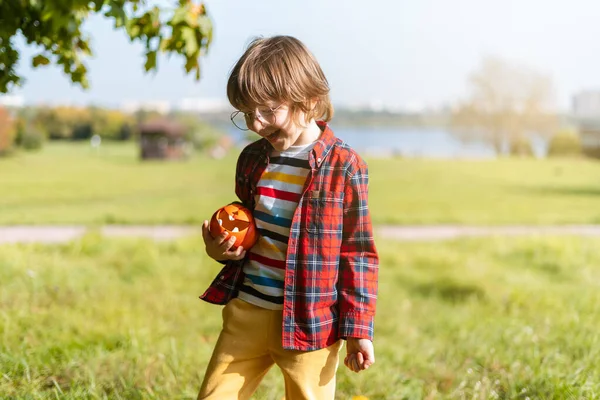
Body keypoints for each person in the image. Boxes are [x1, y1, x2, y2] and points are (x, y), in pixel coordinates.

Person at [198, 35, 379, 400]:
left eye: (267, 110)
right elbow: (248, 230)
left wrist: (358, 328)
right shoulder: (252, 159)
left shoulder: (344, 166)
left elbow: (358, 253)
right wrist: (223, 251)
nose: (257, 123)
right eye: (246, 113)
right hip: (247, 312)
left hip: (309, 324)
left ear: (308, 99)